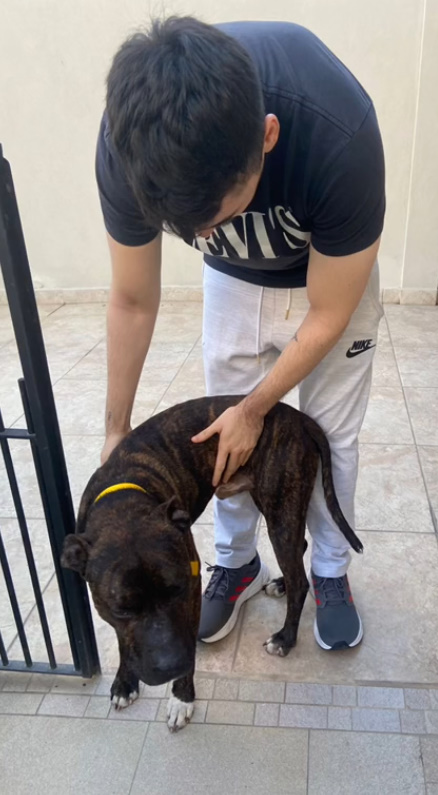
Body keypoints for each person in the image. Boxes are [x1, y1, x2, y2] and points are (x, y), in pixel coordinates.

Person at [96, 16, 385, 651]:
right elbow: (132, 297)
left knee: (330, 434)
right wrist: (116, 432)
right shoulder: (131, 143)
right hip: (234, 283)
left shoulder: (340, 133)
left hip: (329, 275)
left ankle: (330, 572)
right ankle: (236, 561)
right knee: (218, 439)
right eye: (184, 226)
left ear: (267, 137)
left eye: (215, 216)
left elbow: (329, 314)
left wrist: (258, 407)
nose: (201, 236)